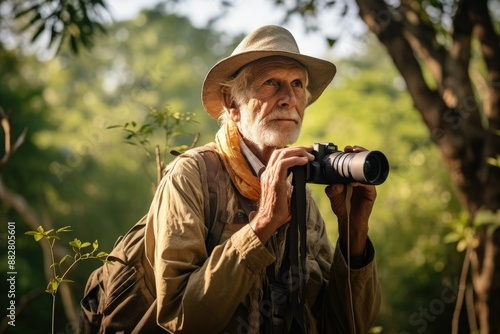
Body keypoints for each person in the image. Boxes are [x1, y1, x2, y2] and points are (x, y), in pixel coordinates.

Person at [144, 25, 381, 333]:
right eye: (271, 83)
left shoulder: (300, 193)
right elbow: (182, 319)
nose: (288, 98)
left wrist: (354, 233)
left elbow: (345, 325)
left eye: (297, 84)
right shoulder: (191, 177)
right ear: (232, 103)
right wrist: (263, 224)